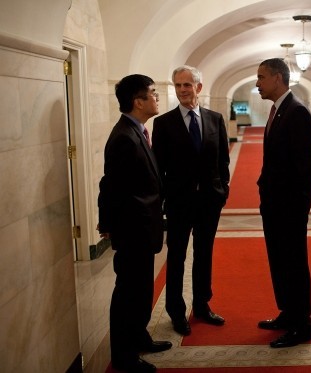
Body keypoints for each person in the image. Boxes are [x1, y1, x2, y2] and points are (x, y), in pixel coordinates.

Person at [98, 74, 171, 373]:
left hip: (143, 227)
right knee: (128, 292)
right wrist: (110, 224)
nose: (157, 98)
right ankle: (124, 356)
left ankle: (139, 336)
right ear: (138, 101)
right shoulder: (124, 138)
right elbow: (112, 188)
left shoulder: (137, 130)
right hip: (133, 231)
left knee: (141, 290)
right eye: (153, 94)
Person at [152, 65, 230, 336]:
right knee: (176, 257)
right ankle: (175, 310)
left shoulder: (215, 119)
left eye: (187, 85)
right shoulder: (163, 124)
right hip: (179, 202)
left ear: (198, 87)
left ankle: (202, 305)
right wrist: (162, 201)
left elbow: (223, 160)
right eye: (178, 85)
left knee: (204, 254)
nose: (183, 90)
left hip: (209, 200)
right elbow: (158, 168)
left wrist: (223, 191)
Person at [255, 58, 311, 348]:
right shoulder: (279, 110)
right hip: (274, 204)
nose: (258, 83)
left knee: (293, 263)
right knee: (279, 261)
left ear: (278, 78)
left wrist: (297, 209)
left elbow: (304, 170)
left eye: (261, 77)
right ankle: (288, 313)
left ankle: (302, 324)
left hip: (289, 207)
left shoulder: (297, 112)